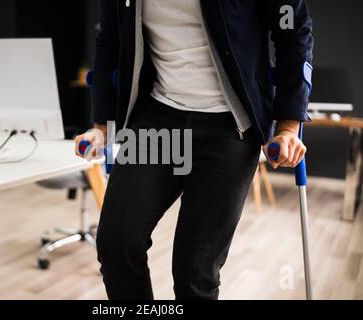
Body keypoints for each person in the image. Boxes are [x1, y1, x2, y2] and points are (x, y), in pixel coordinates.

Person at [75, 0, 313, 300]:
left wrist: (289, 125)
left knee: (194, 271)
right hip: (156, 118)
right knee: (116, 245)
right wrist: (102, 124)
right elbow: (109, 41)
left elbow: (293, 32)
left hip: (230, 127)